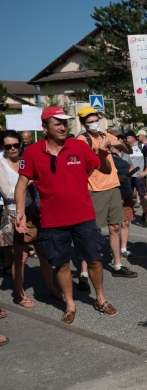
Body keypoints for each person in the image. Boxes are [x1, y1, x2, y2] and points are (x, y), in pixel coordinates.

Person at [15, 106, 117, 324]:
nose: (63, 127)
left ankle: (100, 298)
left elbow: (105, 170)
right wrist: (20, 212)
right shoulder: (32, 152)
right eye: (57, 123)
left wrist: (103, 154)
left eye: (65, 123)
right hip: (53, 220)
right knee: (61, 263)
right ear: (45, 127)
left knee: (94, 259)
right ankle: (70, 304)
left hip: (83, 216)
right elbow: (21, 184)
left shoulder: (78, 146)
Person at [76, 107, 137, 288]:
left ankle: (117, 265)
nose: (94, 123)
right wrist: (99, 151)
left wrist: (119, 144)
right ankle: (84, 273)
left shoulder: (104, 135)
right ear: (83, 123)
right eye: (90, 121)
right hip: (94, 189)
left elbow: (129, 150)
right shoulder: (82, 140)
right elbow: (85, 163)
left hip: (113, 187)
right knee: (89, 232)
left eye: (96, 120)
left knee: (115, 227)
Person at [0, 130, 62, 307]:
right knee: (22, 258)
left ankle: (51, 288)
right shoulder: (1, 166)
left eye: (16, 145)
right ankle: (19, 295)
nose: (13, 149)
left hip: (36, 211)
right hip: (15, 213)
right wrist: (28, 181)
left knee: (44, 253)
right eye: (8, 146)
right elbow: (9, 194)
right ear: (2, 147)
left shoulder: (26, 161)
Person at [109, 131, 137, 260]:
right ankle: (114, 250)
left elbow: (131, 167)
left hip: (127, 190)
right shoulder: (108, 154)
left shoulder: (126, 154)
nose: (120, 140)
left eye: (121, 138)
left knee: (126, 222)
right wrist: (116, 178)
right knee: (115, 224)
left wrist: (128, 176)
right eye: (117, 138)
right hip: (114, 191)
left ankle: (124, 248)